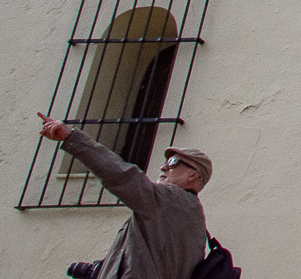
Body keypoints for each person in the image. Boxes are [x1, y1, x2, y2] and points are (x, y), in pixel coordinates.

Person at [36, 112, 209, 279]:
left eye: (173, 162)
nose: (163, 168)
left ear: (194, 175)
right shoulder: (193, 217)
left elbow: (121, 175)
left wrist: (72, 138)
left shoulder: (168, 200)